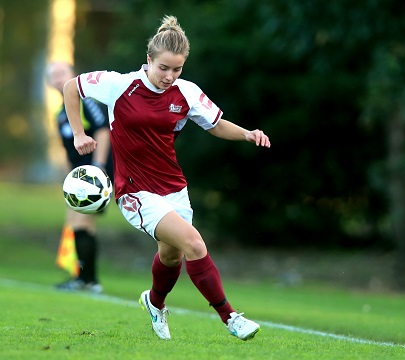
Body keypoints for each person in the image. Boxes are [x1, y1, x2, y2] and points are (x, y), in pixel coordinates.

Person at [63, 15, 270, 341]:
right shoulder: (120, 84)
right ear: (149, 60)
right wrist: (78, 134)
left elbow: (215, 124)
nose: (170, 76)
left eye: (177, 70)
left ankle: (154, 302)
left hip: (173, 187)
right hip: (134, 190)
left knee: (171, 256)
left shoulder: (185, 93)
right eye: (164, 68)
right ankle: (230, 317)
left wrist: (247, 134)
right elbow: (70, 87)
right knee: (194, 243)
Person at [46, 61, 112, 294]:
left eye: (62, 72)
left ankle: (87, 280)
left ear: (73, 74)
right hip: (79, 177)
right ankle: (87, 279)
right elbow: (70, 153)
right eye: (53, 75)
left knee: (81, 221)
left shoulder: (85, 101)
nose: (57, 77)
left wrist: (99, 166)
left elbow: (104, 130)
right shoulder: (61, 113)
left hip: (94, 174)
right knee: (79, 224)